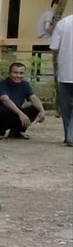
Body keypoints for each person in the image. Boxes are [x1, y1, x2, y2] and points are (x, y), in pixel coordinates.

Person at [0, 62, 46, 139]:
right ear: (9, 73)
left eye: (21, 73)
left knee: (35, 108)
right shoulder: (0, 85)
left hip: (15, 113)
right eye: (15, 73)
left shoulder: (25, 85)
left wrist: (42, 110)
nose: (18, 76)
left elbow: (33, 98)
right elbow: (5, 100)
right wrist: (21, 114)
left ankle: (16, 132)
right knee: (2, 109)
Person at [51, 10, 73, 146]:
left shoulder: (63, 23)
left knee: (66, 107)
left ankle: (68, 135)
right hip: (65, 72)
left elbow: (54, 47)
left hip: (66, 72)